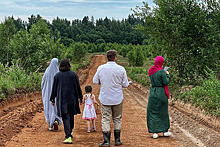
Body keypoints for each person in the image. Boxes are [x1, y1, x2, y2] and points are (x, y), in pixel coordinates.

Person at [93, 50, 130, 146]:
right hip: (117, 98)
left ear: (106, 57)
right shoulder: (121, 69)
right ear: (115, 57)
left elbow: (95, 81)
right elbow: (125, 84)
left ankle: (106, 141)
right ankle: (117, 140)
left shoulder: (101, 68)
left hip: (105, 98)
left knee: (106, 118)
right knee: (117, 118)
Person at [50, 58, 83, 144]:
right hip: (72, 99)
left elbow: (54, 88)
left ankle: (68, 136)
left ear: (60, 65)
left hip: (62, 100)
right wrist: (81, 97)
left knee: (65, 116)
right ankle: (70, 131)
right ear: (69, 65)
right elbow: (78, 87)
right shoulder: (73, 74)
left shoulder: (58, 76)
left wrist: (52, 98)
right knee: (71, 115)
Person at [147, 56, 172, 139]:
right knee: (163, 111)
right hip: (161, 92)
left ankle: (155, 132)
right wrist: (167, 75)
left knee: (153, 111)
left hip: (153, 91)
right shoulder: (161, 72)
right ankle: (165, 131)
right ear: (161, 62)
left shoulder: (150, 70)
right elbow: (165, 82)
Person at [41, 58, 62, 131]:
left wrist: (44, 90)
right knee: (56, 107)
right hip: (56, 93)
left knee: (49, 107)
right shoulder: (59, 73)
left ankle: (50, 124)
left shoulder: (47, 72)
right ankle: (56, 120)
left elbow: (42, 83)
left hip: (48, 93)